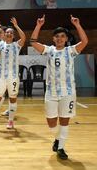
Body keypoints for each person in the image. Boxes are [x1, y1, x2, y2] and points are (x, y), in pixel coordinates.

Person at [30, 15, 88, 160]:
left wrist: (77, 25)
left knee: (64, 120)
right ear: (53, 39)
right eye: (57, 36)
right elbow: (33, 42)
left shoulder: (71, 51)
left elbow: (85, 41)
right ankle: (57, 138)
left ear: (66, 39)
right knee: (51, 122)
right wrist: (38, 25)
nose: (60, 38)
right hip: (51, 92)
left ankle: (61, 147)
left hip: (68, 92)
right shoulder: (49, 50)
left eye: (62, 36)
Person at [0, 17, 26, 130]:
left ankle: (11, 121)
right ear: (4, 34)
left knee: (13, 98)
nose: (9, 34)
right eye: (7, 32)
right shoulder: (0, 44)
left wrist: (16, 26)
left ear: (13, 35)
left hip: (13, 77)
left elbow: (24, 37)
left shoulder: (17, 45)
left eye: (11, 33)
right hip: (1, 76)